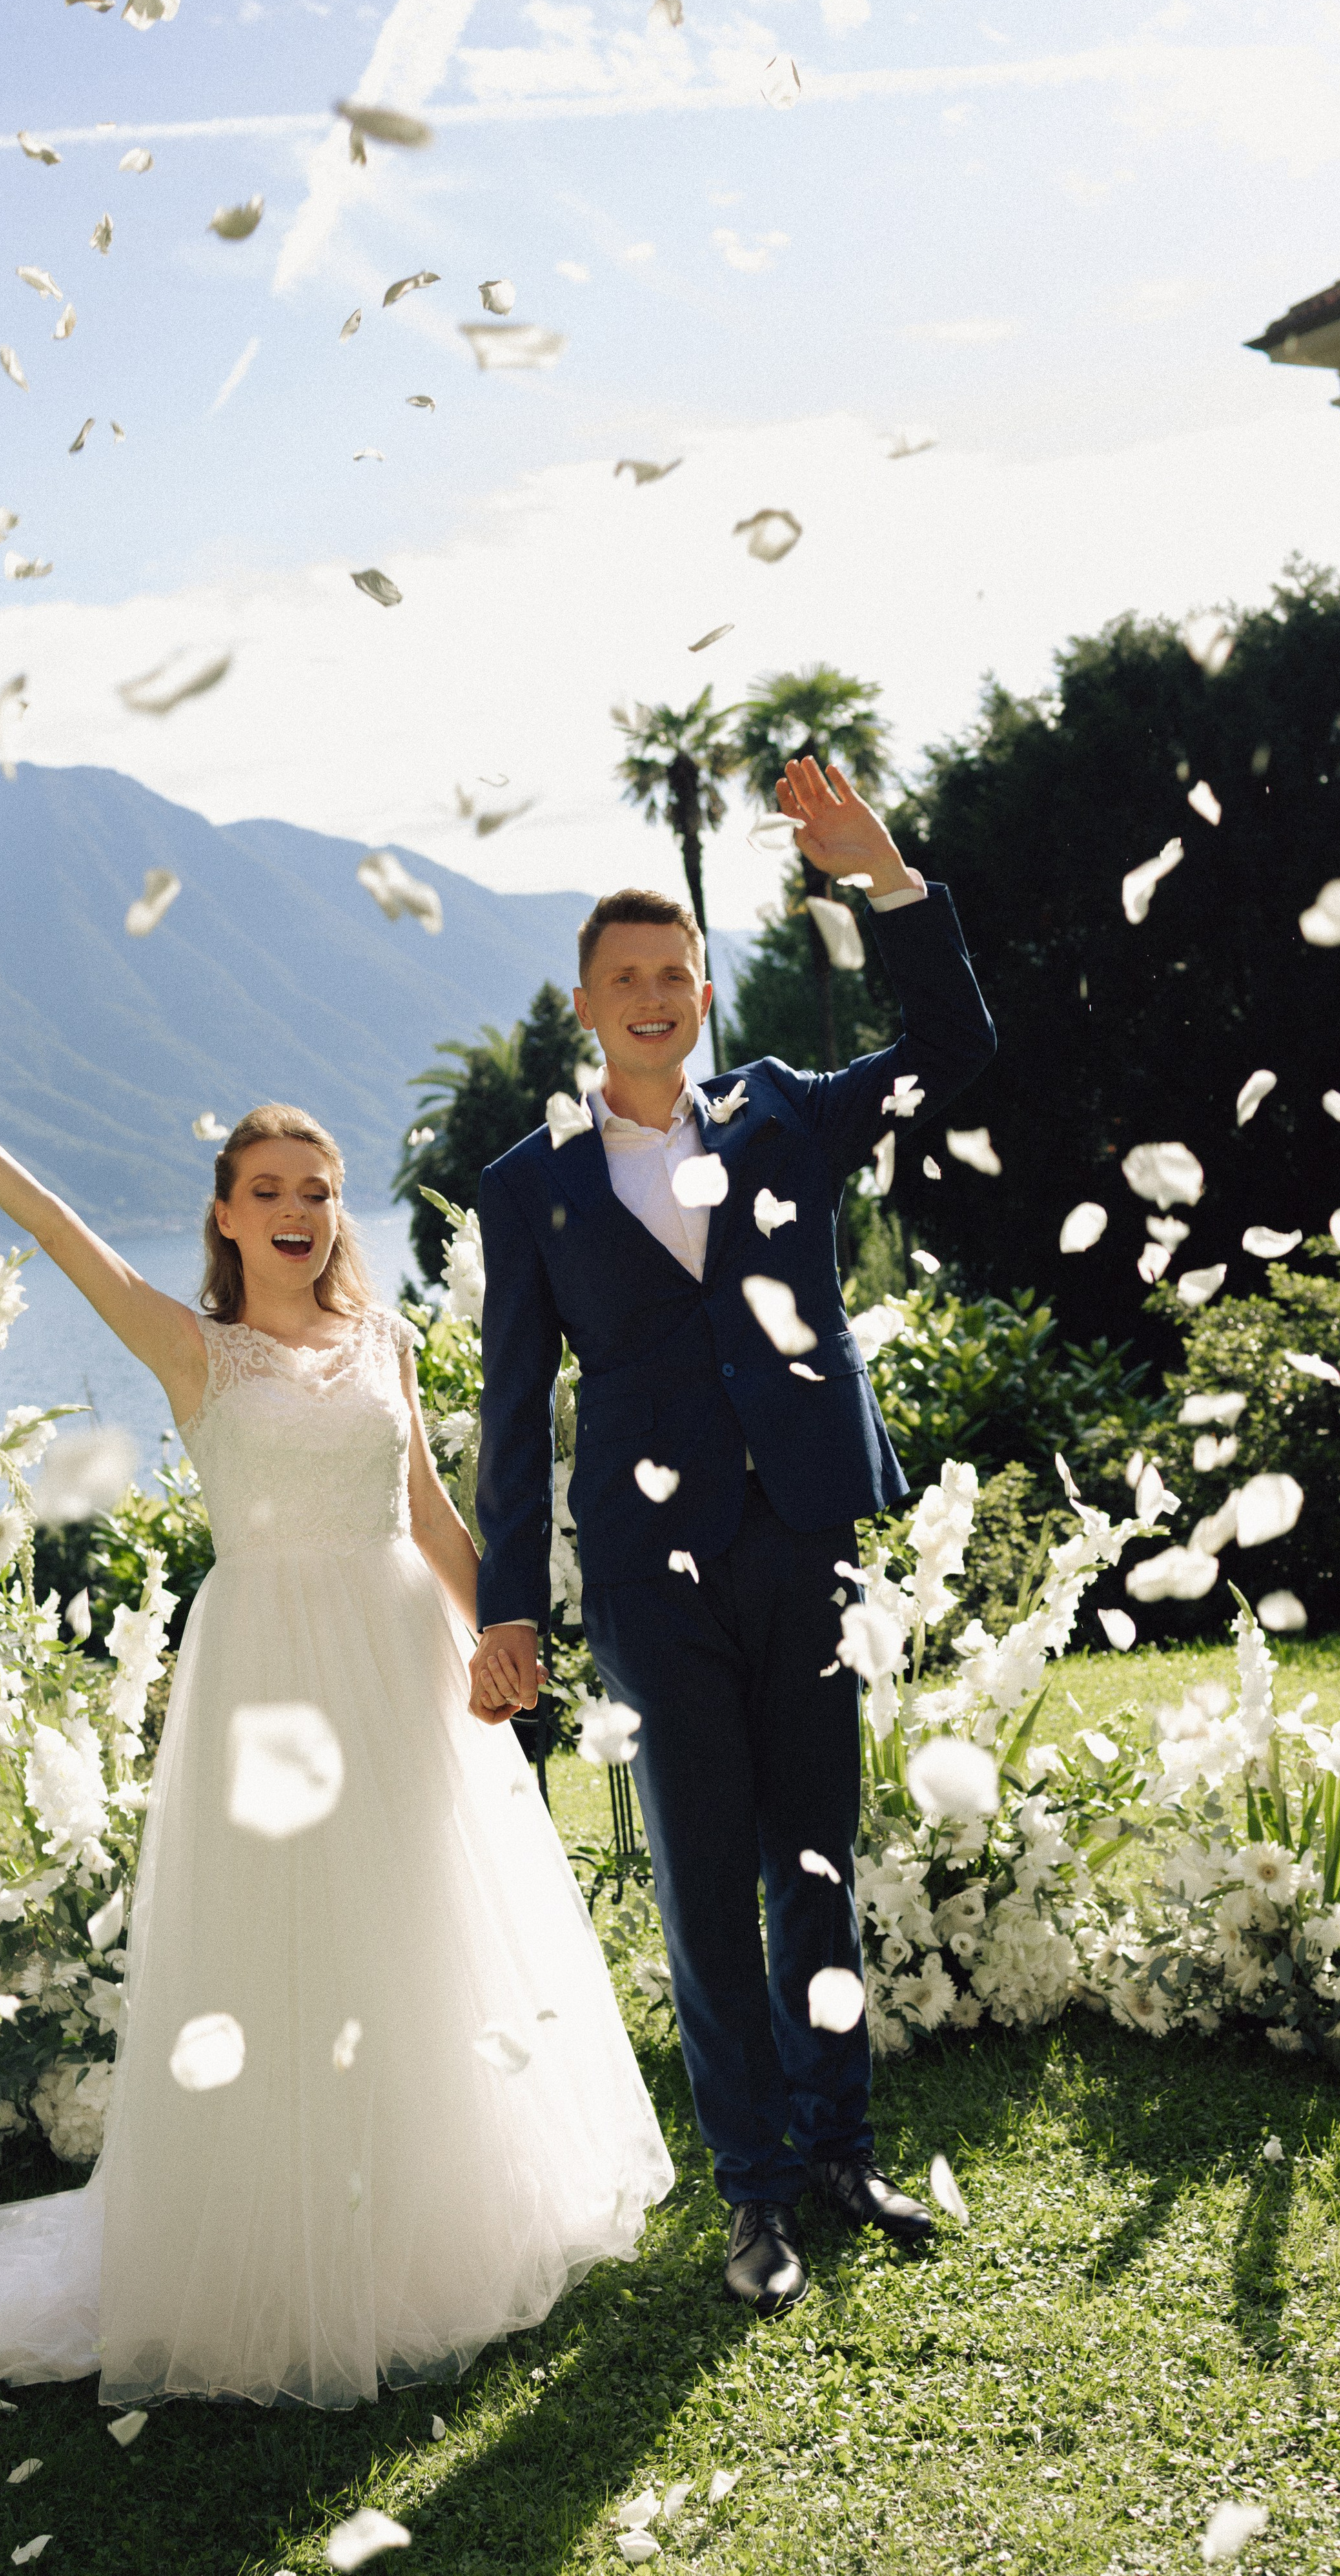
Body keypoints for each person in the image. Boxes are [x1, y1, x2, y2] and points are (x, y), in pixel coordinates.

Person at [0, 1011, 673, 2409]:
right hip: (267, 1679)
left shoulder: (385, 1342)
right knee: (281, 1956)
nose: (298, 1210)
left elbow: (428, 1511)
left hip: (400, 1660)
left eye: (319, 1190)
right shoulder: (193, 1351)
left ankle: (430, 2228)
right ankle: (277, 2250)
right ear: (227, 1217)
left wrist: (503, 1630)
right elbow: (50, 1224)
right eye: (269, 1191)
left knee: (417, 1935)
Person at [466, 755, 997, 2319]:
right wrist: (509, 1607)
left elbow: (955, 1046)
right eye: (622, 980)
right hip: (648, 1575)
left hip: (800, 1534)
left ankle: (841, 2153)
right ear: (586, 1008)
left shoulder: (791, 1114)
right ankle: (753, 2190)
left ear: (703, 991)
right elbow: (511, 1412)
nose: (652, 999)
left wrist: (885, 879)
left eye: (673, 975)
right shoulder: (528, 1189)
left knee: (814, 1860)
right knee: (703, 1879)